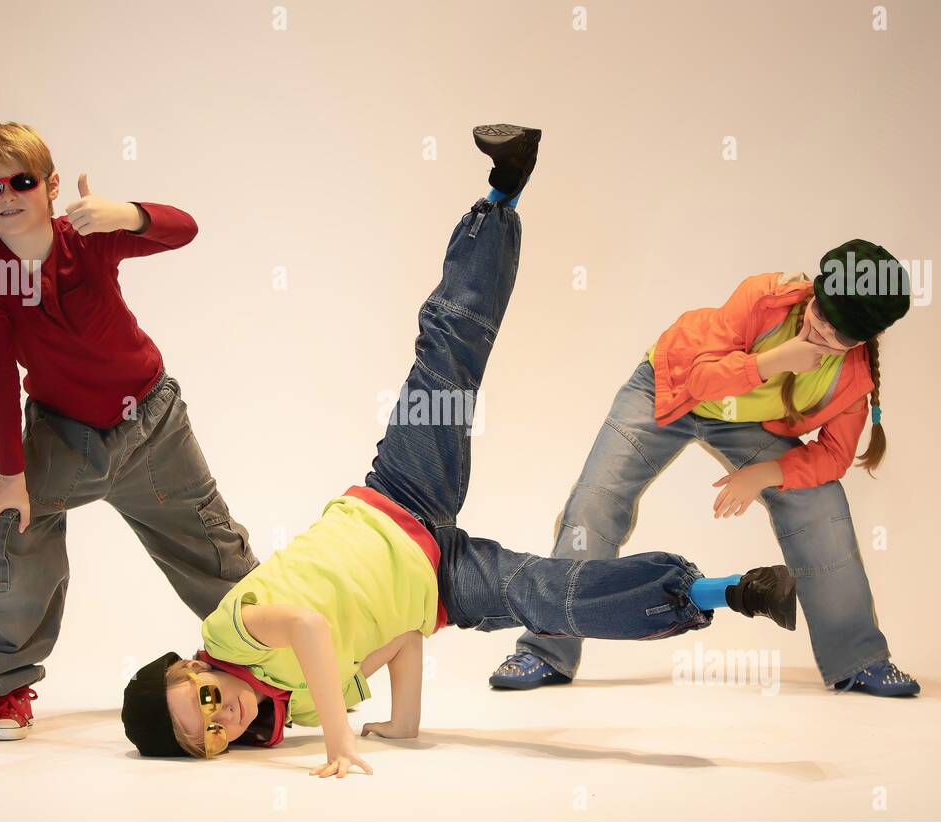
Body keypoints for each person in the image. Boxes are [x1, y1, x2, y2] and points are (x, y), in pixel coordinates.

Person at [120, 125, 797, 778]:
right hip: (442, 583)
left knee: (446, 359)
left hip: (398, 498)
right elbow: (404, 642)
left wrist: (338, 742)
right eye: (207, 739)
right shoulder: (290, 705)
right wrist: (403, 724)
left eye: (203, 704)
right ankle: (728, 591)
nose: (222, 720)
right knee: (553, 598)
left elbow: (307, 626)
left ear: (191, 668)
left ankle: (501, 196)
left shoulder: (232, 631)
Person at [488, 238, 919, 697]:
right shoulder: (764, 297)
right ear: (814, 291)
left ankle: (860, 659)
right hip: (667, 392)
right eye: (821, 314)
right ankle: (545, 650)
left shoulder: (850, 380)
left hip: (743, 422)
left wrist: (764, 474)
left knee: (820, 503)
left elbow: (833, 457)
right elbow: (700, 378)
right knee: (596, 503)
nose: (822, 334)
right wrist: (775, 361)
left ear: (863, 341)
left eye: (840, 335)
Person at [0, 122, 257, 740]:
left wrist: (125, 214)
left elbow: (186, 229)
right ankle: (9, 692)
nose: (7, 196)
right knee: (6, 532)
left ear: (50, 186)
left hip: (151, 425)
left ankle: (269, 669)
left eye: (21, 181)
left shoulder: (88, 238)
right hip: (63, 437)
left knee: (215, 550)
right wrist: (10, 476)